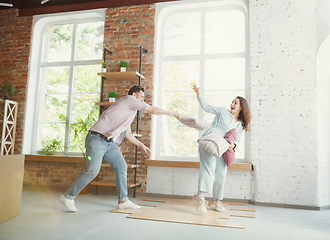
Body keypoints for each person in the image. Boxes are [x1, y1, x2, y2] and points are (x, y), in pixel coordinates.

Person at [60, 85, 180, 212]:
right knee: (92, 171)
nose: (143, 100)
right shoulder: (128, 99)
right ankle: (68, 196)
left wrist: (141, 145)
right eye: (142, 97)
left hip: (109, 143)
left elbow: (127, 134)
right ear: (134, 95)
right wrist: (172, 113)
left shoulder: (128, 113)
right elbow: (152, 109)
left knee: (121, 166)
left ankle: (123, 200)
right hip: (96, 139)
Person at [190, 82, 251, 214]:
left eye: (236, 103)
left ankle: (215, 201)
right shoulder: (223, 111)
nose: (232, 104)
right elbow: (206, 107)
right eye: (232, 102)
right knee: (209, 168)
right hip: (211, 141)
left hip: (224, 147)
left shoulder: (240, 125)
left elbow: (238, 140)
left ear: (241, 108)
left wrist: (233, 145)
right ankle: (199, 197)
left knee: (221, 173)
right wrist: (198, 93)